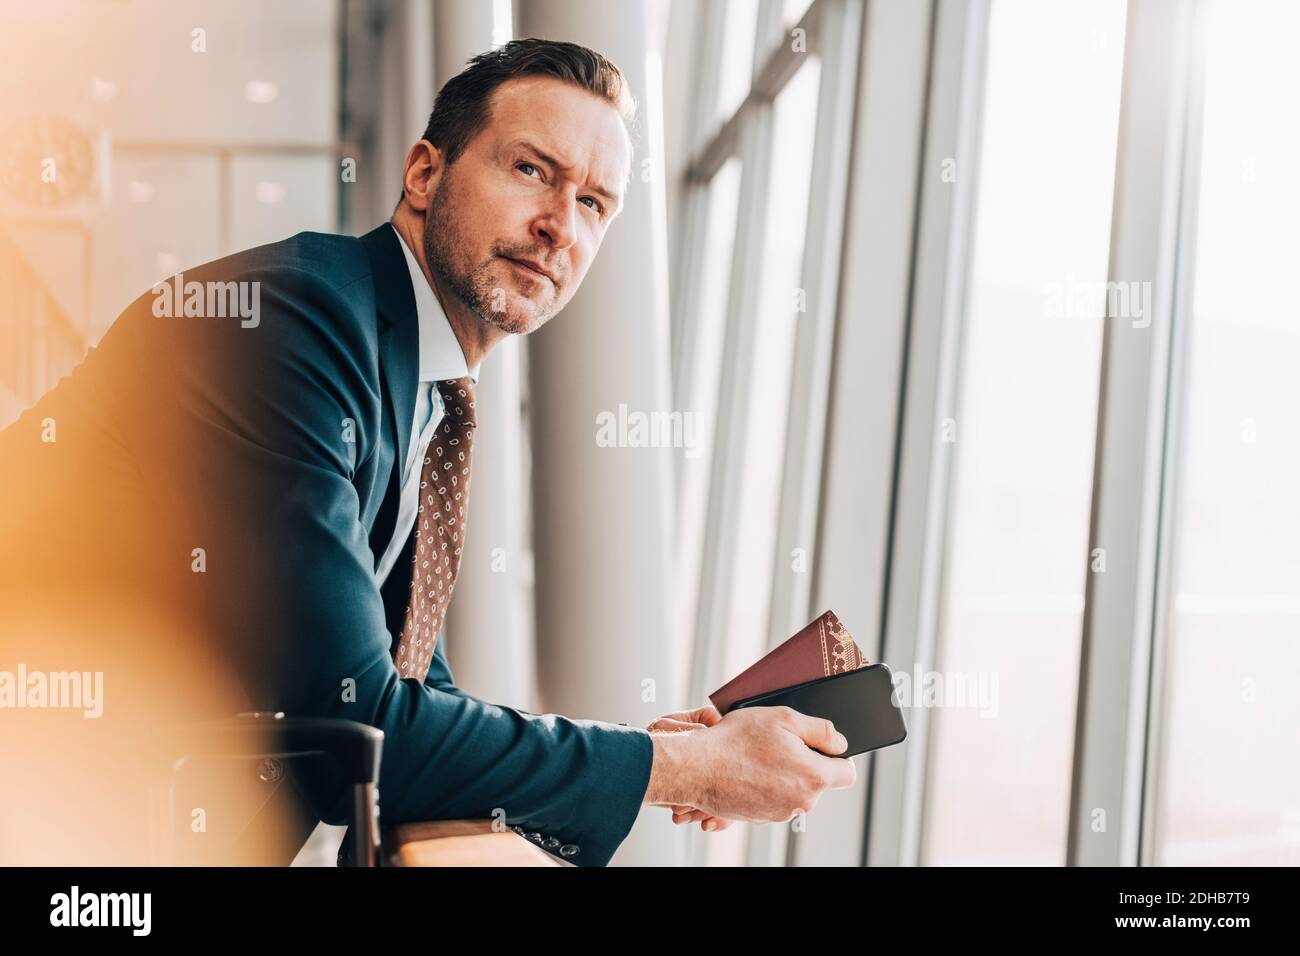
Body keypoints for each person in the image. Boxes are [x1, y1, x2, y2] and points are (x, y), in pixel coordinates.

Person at [0, 38, 854, 867]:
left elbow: (413, 686)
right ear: (423, 173)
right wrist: (682, 768)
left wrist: (649, 758)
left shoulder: (417, 381)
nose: (559, 226)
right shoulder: (292, 326)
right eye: (531, 170)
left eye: (595, 203)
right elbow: (358, 723)